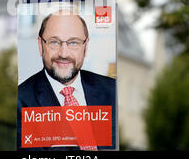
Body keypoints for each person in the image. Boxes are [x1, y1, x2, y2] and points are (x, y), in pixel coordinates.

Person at [17, 10, 116, 150]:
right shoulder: (21, 101)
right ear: (40, 45)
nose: (63, 53)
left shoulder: (112, 90)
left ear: (86, 47)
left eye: (74, 43)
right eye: (54, 42)